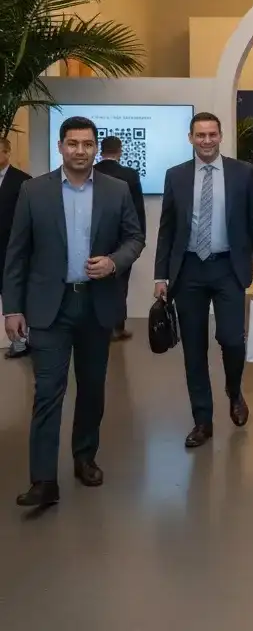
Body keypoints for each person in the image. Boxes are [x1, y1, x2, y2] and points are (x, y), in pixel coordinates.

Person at [3, 116, 145, 507]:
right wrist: (12, 308)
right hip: (49, 307)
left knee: (92, 388)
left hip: (96, 305)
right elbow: (17, 253)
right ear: (61, 147)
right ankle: (43, 480)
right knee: (47, 391)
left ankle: (84, 457)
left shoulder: (116, 190)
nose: (80, 151)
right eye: (72, 143)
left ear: (96, 149)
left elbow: (135, 238)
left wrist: (114, 262)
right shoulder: (33, 191)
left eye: (87, 144)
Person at [154, 112, 253, 449]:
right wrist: (161, 274)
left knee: (232, 339)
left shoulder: (242, 173)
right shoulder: (176, 175)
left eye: (212, 135)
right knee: (194, 349)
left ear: (220, 136)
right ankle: (202, 421)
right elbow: (166, 229)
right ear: (190, 138)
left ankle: (234, 390)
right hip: (188, 270)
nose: (206, 141)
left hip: (228, 268)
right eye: (200, 135)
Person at [95, 135, 147, 341]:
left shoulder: (91, 171)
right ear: (120, 151)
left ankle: (99, 327)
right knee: (120, 284)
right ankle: (117, 326)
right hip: (124, 239)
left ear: (100, 151)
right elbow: (137, 209)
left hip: (96, 237)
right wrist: (140, 238)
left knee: (95, 282)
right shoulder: (130, 175)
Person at [0, 137, 32, 360]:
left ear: (7, 152)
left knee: (14, 295)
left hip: (11, 249)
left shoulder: (23, 182)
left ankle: (20, 343)